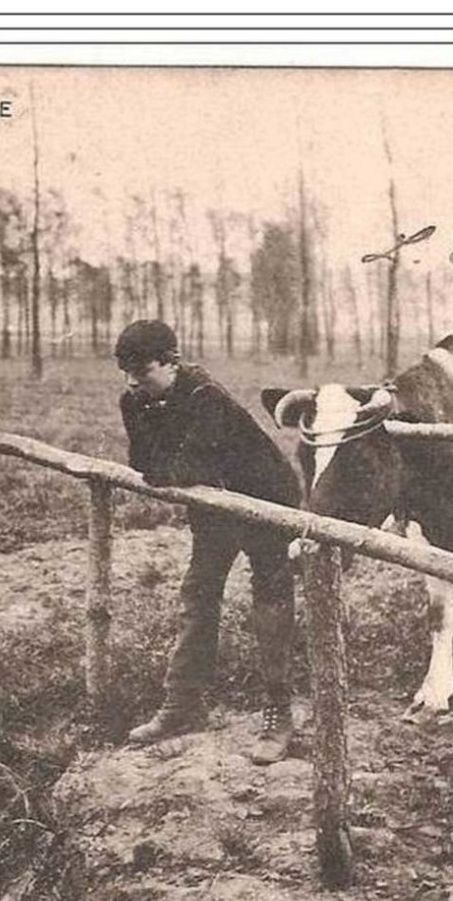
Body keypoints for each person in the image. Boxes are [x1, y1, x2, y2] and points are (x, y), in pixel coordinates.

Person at [115, 319, 300, 764]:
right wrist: (148, 416)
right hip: (215, 503)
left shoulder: (205, 397)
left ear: (173, 362)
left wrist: (170, 461)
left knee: (270, 601)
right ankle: (182, 706)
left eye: (144, 373)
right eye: (128, 374)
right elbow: (146, 463)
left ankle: (279, 713)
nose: (134, 383)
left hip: (265, 498)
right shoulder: (135, 400)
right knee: (199, 594)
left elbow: (182, 466)